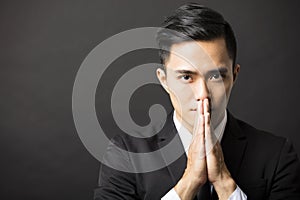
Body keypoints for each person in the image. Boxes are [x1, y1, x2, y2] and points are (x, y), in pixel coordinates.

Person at [94, 3, 300, 200]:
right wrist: (188, 183)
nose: (203, 94)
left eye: (215, 76)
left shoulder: (277, 155)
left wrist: (225, 185)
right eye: (186, 77)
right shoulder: (126, 154)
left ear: (234, 77)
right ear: (164, 80)